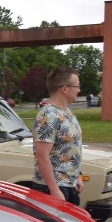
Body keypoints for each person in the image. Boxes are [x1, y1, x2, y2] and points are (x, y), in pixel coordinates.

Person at [32, 67, 83, 205]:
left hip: (69, 185)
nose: (79, 90)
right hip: (54, 188)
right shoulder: (48, 115)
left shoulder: (67, 113)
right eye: (77, 85)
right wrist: (54, 190)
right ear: (65, 89)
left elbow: (71, 148)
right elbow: (42, 155)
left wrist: (78, 176)